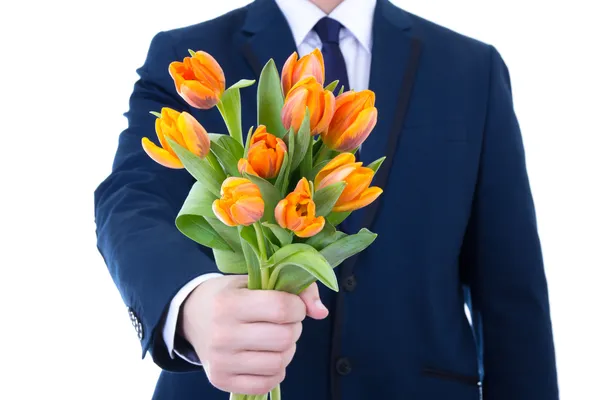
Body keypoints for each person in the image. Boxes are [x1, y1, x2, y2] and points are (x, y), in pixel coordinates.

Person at [94, 0, 559, 398]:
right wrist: (189, 303)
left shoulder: (471, 69)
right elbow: (131, 200)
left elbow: (511, 294)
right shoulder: (186, 56)